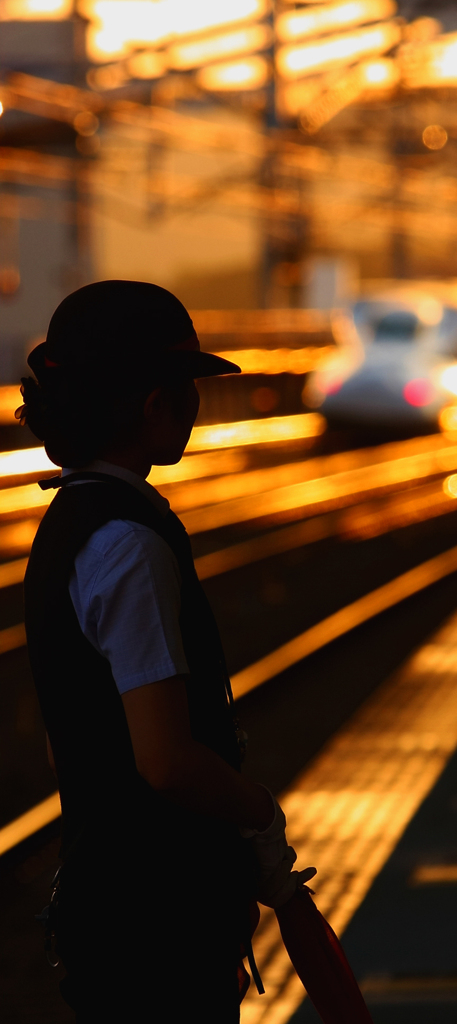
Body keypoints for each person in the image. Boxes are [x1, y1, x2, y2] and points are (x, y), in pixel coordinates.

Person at [21, 281, 315, 1023]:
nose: (196, 403)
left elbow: (70, 747)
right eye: (188, 387)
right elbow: (166, 759)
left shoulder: (68, 524)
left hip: (102, 903)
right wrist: (257, 815)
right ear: (156, 404)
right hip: (160, 926)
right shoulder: (131, 545)